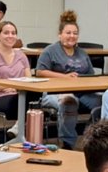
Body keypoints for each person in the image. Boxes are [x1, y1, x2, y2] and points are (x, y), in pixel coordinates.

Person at [35, 10, 99, 149]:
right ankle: (68, 143)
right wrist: (64, 77)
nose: (72, 36)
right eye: (68, 33)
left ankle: (93, 135)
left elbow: (90, 75)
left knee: (104, 101)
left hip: (81, 93)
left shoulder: (82, 53)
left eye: (75, 33)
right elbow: (40, 72)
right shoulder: (50, 51)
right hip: (54, 93)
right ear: (60, 34)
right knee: (69, 101)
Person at [0, 20, 31, 133]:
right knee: (29, 102)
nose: (10, 36)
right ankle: (21, 128)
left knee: (35, 95)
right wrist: (8, 87)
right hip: (2, 97)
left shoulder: (21, 55)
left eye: (13, 33)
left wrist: (17, 88)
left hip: (21, 94)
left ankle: (19, 126)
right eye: (6, 33)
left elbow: (29, 80)